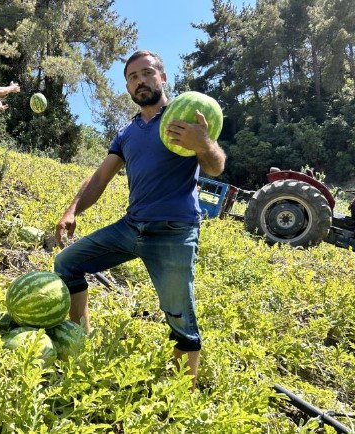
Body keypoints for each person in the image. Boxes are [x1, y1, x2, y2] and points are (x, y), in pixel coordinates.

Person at [53, 50, 226, 390]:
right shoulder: (127, 133)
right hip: (132, 227)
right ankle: (81, 341)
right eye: (132, 77)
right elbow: (100, 177)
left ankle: (181, 395)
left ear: (162, 78)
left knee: (179, 314)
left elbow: (215, 166)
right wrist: (73, 209)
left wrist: (203, 143)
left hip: (174, 232)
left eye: (146, 73)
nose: (139, 81)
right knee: (68, 262)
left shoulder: (183, 118)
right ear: (128, 88)